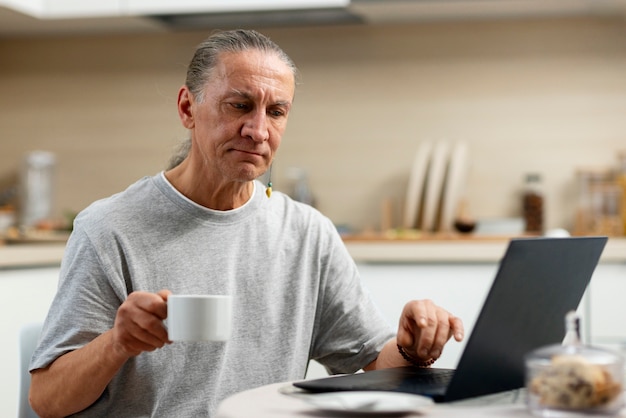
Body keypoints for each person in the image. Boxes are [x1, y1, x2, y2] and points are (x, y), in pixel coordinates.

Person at [28, 29, 464, 417]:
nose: (258, 130)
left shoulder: (307, 233)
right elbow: (47, 401)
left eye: (276, 112)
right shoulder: (108, 228)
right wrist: (117, 343)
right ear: (187, 107)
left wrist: (411, 346)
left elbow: (376, 366)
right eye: (240, 105)